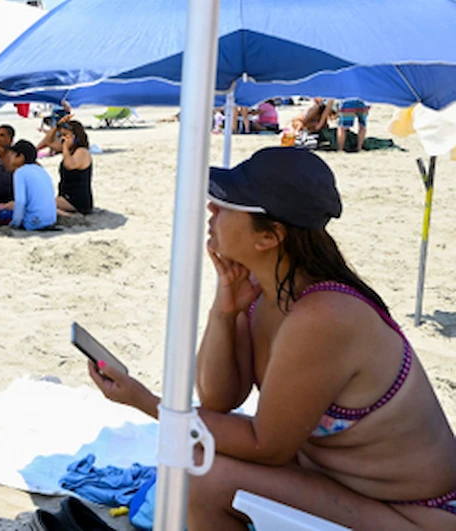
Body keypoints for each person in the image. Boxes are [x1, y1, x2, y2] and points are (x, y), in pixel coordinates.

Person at [87, 147, 456, 530]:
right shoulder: (266, 291)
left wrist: (147, 403)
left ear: (270, 237)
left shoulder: (324, 316)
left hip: (420, 515)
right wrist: (225, 311)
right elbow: (219, 398)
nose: (212, 211)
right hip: (348, 488)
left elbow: (267, 445)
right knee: (198, 452)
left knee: (202, 476)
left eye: (228, 205)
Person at [0, 140, 58, 231]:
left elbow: (20, 202)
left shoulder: (20, 172)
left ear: (21, 157)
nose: (10, 158)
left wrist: (15, 224)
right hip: (50, 220)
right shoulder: (41, 170)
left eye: (13, 155)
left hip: (33, 222)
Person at [56, 120, 94, 215]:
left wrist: (65, 147)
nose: (63, 139)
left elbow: (70, 165)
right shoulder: (70, 151)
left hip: (76, 200)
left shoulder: (82, 152)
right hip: (66, 196)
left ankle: (68, 216)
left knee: (44, 204)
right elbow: (47, 142)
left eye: (66, 135)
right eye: (61, 135)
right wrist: (56, 127)